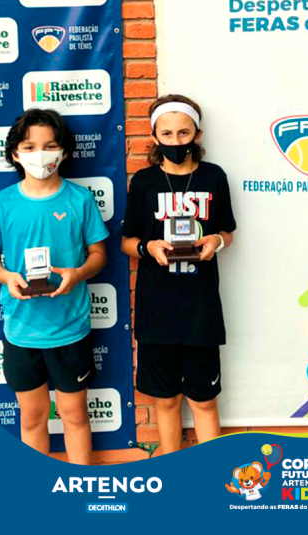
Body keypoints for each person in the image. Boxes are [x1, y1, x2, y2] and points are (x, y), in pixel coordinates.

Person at [0, 108, 108, 465]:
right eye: (30, 146)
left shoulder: (80, 199)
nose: (41, 155)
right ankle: (37, 487)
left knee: (74, 415)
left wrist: (77, 274)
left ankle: (81, 484)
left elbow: (99, 254)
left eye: (50, 146)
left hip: (70, 329)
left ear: (64, 152)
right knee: (32, 417)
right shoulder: (2, 203)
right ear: (15, 154)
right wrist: (8, 277)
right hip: (22, 331)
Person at [121, 94, 236, 453]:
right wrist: (148, 248)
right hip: (157, 311)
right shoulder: (144, 181)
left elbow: (228, 231)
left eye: (184, 133)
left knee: (204, 401)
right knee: (166, 401)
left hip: (201, 310)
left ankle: (211, 474)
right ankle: (172, 473)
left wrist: (216, 241)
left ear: (197, 134)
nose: (176, 141)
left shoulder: (214, 176)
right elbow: (127, 241)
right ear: (154, 136)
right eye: (167, 134)